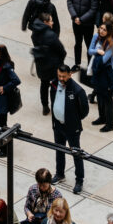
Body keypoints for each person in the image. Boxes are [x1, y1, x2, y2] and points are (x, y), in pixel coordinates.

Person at [50, 64, 88, 195]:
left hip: (72, 128)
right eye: (59, 75)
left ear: (69, 75)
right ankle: (60, 174)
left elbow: (84, 110)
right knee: (59, 150)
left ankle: (79, 180)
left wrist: (74, 120)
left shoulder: (77, 90)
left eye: (64, 76)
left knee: (76, 153)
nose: (61, 78)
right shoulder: (54, 85)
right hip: (58, 125)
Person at [32, 16, 68, 115]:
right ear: (45, 22)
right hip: (52, 65)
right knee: (56, 86)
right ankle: (55, 106)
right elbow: (62, 51)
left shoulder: (35, 32)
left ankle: (45, 106)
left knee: (44, 84)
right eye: (51, 21)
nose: (53, 23)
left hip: (41, 63)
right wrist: (60, 62)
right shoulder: (51, 35)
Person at [87, 22, 113, 132]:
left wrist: (96, 56)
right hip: (97, 72)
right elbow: (90, 51)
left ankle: (110, 124)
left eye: (104, 29)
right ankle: (102, 117)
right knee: (99, 95)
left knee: (108, 98)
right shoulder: (96, 37)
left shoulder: (112, 43)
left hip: (107, 73)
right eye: (100, 28)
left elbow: (104, 60)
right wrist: (98, 51)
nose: (101, 31)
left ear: (109, 31)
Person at [67, 0, 99, 73]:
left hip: (87, 24)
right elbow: (69, 1)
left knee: (89, 44)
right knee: (77, 43)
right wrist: (75, 16)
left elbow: (93, 9)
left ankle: (90, 66)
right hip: (76, 22)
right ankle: (77, 64)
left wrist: (81, 19)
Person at [0, 44, 21, 143]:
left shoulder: (6, 67)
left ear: (2, 54)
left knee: (2, 123)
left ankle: (4, 147)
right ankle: (1, 143)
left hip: (3, 100)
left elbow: (16, 80)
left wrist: (5, 88)